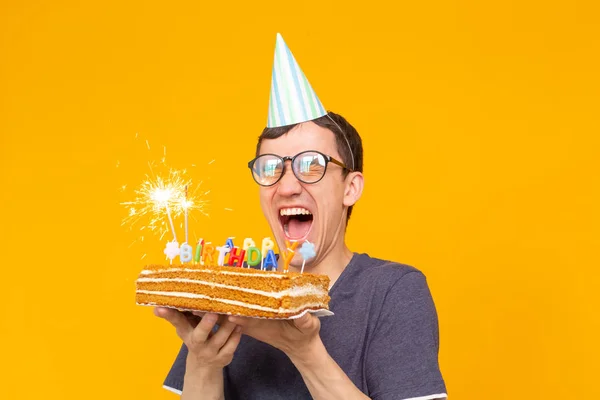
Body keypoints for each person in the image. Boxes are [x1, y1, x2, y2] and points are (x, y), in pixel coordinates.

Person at [154, 34, 447, 400]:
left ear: (350, 188)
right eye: (271, 167)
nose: (287, 186)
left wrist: (306, 353)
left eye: (311, 165)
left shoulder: (392, 291)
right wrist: (203, 361)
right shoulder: (236, 292)